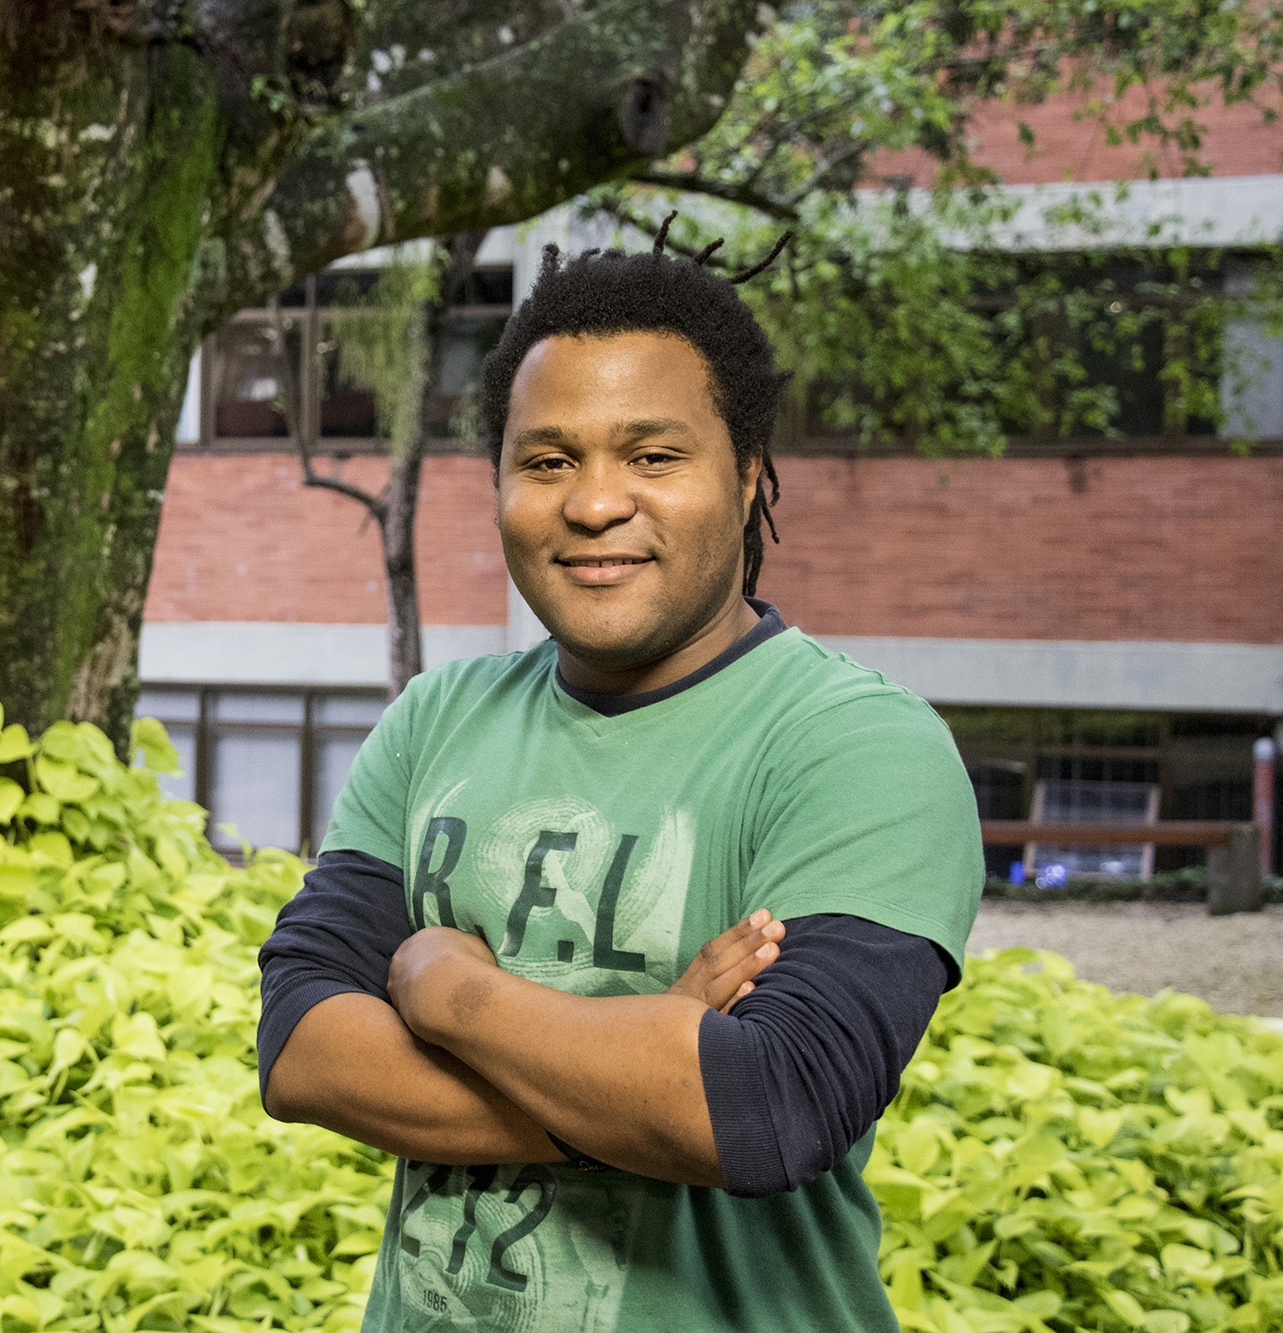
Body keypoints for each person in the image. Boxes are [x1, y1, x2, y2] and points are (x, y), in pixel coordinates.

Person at [256, 231, 983, 1332]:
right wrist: (638, 1060)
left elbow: (766, 1108)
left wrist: (444, 990)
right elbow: (302, 1047)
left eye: (651, 457)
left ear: (744, 478)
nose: (592, 504)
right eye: (546, 460)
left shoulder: (853, 745)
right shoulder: (432, 721)